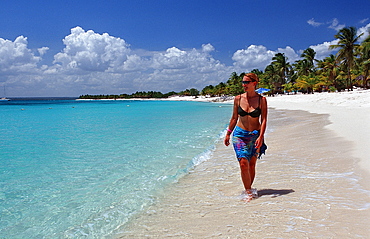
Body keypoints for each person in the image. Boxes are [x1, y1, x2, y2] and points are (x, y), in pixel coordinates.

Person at [224, 73, 267, 202]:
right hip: (239, 135)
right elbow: (234, 118)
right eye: (243, 82)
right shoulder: (238, 98)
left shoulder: (261, 100)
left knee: (252, 164)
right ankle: (248, 191)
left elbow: (264, 120)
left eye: (246, 82)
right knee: (243, 163)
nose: (244, 85)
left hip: (255, 135)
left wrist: (261, 136)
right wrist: (228, 133)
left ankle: (249, 188)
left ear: (254, 83)